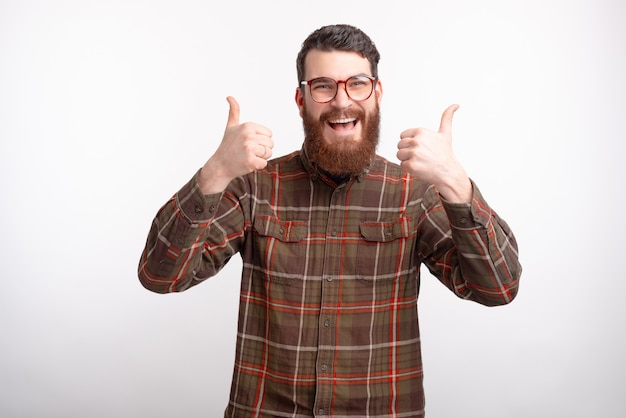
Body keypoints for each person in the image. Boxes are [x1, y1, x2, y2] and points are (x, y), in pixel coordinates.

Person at [138, 23, 521, 417]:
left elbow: (498, 288)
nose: (342, 101)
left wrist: (456, 184)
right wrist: (214, 174)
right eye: (323, 86)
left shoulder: (415, 192)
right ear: (301, 99)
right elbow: (161, 276)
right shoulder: (255, 187)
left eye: (357, 83)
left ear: (378, 93)